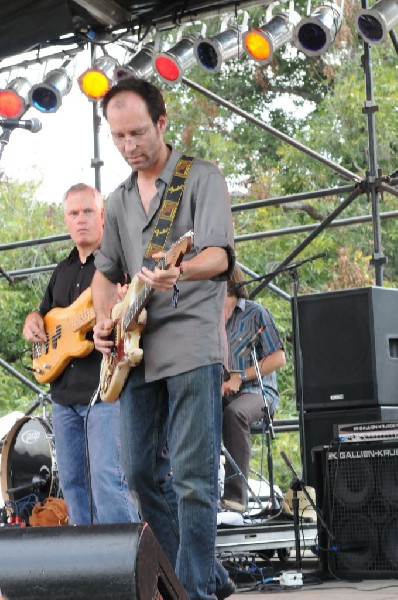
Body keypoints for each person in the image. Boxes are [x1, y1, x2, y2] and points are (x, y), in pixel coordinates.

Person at [91, 78, 235, 600]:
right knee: (136, 476)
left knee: (194, 480)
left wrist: (184, 270)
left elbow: (219, 256)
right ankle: (201, 577)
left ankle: (192, 590)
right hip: (135, 352)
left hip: (191, 342)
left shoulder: (201, 178)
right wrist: (106, 321)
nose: (129, 147)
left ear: (162, 122)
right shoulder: (119, 199)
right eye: (118, 137)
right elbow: (105, 274)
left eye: (137, 133)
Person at [22, 183, 139, 526]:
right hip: (63, 394)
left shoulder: (120, 263)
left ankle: (125, 564)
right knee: (72, 484)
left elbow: (135, 314)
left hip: (104, 390)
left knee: (107, 479)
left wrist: (120, 305)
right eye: (73, 213)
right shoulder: (63, 270)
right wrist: (32, 320)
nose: (81, 219)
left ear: (102, 215)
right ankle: (88, 568)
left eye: (88, 211)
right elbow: (45, 315)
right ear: (66, 220)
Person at [221, 265, 286, 513]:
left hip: (259, 394)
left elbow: (278, 358)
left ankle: (235, 498)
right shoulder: (208, 320)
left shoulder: (255, 313)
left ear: (227, 282)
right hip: (225, 394)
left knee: (235, 413)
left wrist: (240, 376)